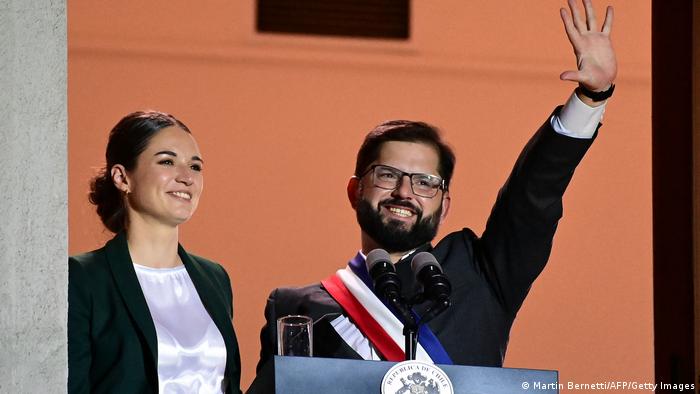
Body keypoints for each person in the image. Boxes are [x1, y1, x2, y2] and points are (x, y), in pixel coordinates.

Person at [250, 0, 617, 387]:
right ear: (355, 190)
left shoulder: (481, 274)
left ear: (445, 207)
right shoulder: (296, 308)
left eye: (425, 182)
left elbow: (532, 198)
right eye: (388, 174)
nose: (404, 191)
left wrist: (591, 98)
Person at [68, 111, 242, 393]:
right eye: (167, 162)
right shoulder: (83, 278)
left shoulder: (215, 278)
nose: (187, 177)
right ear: (122, 177)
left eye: (195, 167)